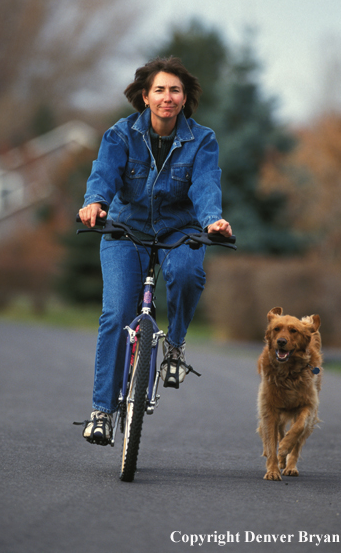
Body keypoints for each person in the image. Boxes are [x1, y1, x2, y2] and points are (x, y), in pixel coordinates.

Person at [78, 56, 232, 445]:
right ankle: (101, 412)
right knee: (116, 314)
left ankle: (175, 347)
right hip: (124, 230)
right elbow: (105, 173)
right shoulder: (120, 134)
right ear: (145, 97)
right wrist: (95, 202)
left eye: (175, 90)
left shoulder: (202, 140)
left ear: (185, 98)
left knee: (187, 275)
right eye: (160, 90)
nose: (168, 97)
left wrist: (213, 219)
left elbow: (205, 183)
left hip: (179, 232)